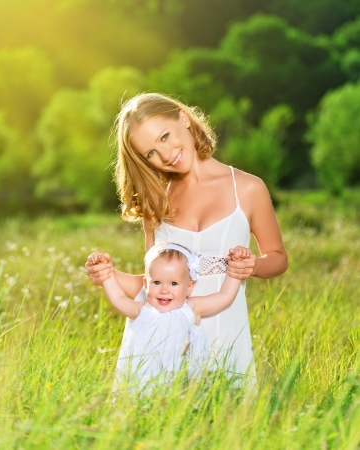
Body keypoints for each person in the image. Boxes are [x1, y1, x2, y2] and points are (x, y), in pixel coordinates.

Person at [85, 92, 288, 385]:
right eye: (151, 153)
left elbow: (279, 259)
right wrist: (109, 275)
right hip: (162, 341)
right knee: (161, 420)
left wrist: (253, 265)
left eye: (165, 136)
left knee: (228, 415)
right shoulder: (155, 201)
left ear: (183, 118)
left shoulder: (248, 188)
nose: (165, 155)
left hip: (225, 323)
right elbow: (151, 281)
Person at [88, 243, 251, 387]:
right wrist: (106, 273)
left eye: (174, 283)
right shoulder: (142, 311)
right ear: (146, 284)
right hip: (146, 381)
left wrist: (236, 270)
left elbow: (225, 297)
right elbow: (118, 298)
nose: (164, 290)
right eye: (157, 282)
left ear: (189, 287)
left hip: (183, 381)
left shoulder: (190, 309)